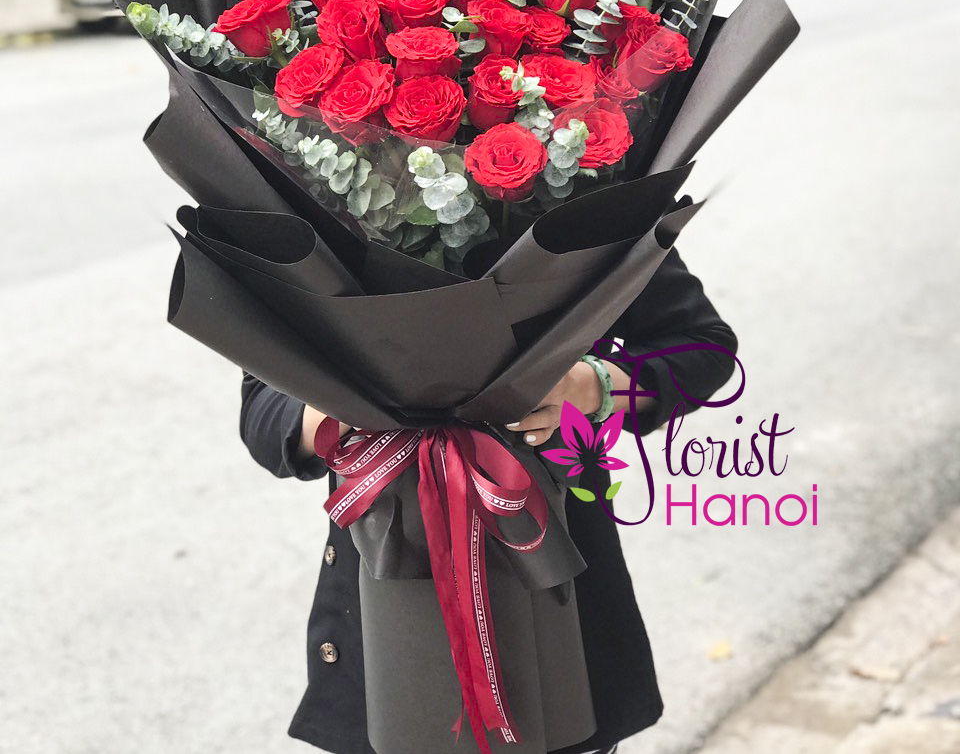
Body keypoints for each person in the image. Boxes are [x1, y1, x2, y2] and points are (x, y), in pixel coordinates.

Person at [239, 247, 737, 754]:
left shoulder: (576, 185)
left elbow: (703, 350)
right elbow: (264, 421)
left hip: (555, 573)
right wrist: (348, 395)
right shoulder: (312, 202)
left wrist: (591, 387)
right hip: (380, 594)